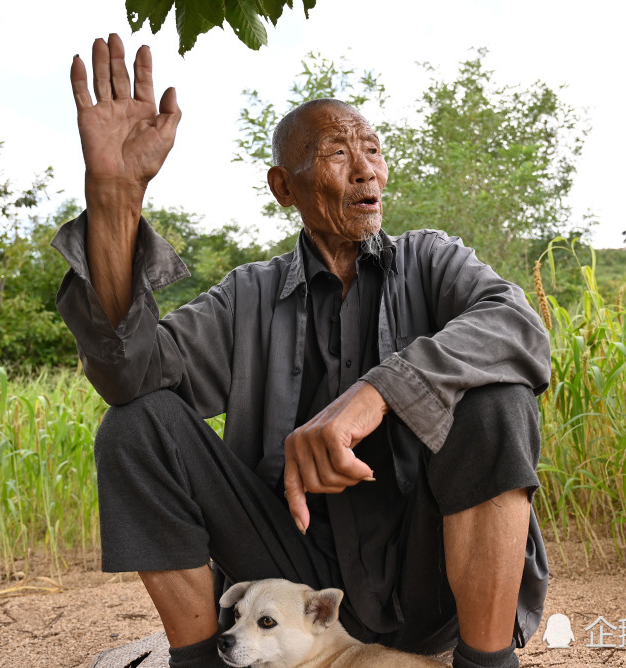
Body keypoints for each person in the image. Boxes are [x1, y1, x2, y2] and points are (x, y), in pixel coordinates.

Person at [54, 34, 552, 668]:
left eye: (372, 151)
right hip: (287, 586)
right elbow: (129, 374)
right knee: (134, 426)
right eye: (338, 152)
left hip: (432, 575)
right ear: (283, 186)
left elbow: (518, 325)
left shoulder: (432, 260)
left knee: (497, 397)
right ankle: (201, 659)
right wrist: (115, 198)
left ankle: (486, 665)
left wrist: (376, 393)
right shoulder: (247, 296)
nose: (366, 168)